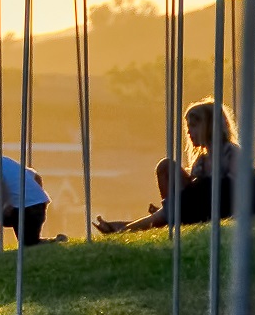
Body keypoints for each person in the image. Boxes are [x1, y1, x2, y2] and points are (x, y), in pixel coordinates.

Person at [95, 100, 235, 235]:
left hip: (212, 206)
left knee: (162, 212)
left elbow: (236, 186)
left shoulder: (230, 152)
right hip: (194, 205)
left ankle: (122, 229)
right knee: (166, 167)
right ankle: (161, 215)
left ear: (209, 126)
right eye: (188, 127)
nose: (188, 132)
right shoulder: (202, 160)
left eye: (193, 126)